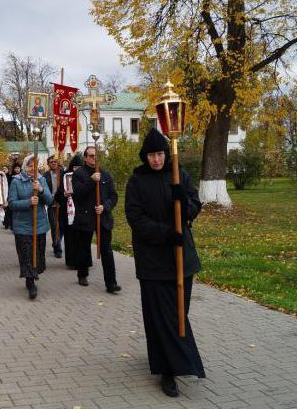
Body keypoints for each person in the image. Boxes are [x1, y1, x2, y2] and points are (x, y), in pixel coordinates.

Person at [124, 128, 205, 397]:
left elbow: (195, 203)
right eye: (151, 155)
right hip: (153, 262)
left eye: (160, 154)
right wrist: (166, 233)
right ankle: (168, 370)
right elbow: (135, 219)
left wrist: (186, 204)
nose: (156, 159)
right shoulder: (136, 182)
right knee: (162, 316)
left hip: (183, 258)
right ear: (145, 156)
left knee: (179, 314)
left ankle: (175, 361)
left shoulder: (178, 174)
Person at [71, 145, 121, 293]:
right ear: (85, 158)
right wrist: (91, 181)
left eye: (96, 155)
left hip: (103, 218)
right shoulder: (79, 174)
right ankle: (82, 273)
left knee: (107, 250)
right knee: (84, 248)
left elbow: (114, 196)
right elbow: (78, 194)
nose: (94, 158)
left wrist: (105, 207)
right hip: (85, 217)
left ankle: (111, 283)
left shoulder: (105, 175)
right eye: (91, 156)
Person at [8, 154, 52, 299]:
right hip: (22, 226)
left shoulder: (41, 179)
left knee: (37, 254)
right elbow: (12, 203)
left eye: (35, 165)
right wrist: (28, 202)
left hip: (39, 225)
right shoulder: (16, 181)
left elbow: (50, 200)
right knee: (27, 254)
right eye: (30, 165)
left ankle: (33, 275)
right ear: (25, 166)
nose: (33, 168)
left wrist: (40, 190)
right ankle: (30, 282)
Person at [62, 153, 84, 269]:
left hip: (82, 212)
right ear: (72, 167)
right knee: (70, 238)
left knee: (82, 238)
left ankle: (82, 261)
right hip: (69, 213)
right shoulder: (65, 177)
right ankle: (71, 261)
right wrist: (64, 194)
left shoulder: (86, 177)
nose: (77, 170)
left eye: (80, 167)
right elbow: (58, 196)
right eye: (75, 167)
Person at [43, 155, 66, 258]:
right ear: (48, 164)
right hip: (52, 204)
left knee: (62, 226)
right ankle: (58, 249)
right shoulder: (45, 176)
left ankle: (56, 241)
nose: (53, 163)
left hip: (62, 204)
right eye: (51, 162)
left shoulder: (63, 174)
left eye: (55, 161)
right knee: (54, 227)